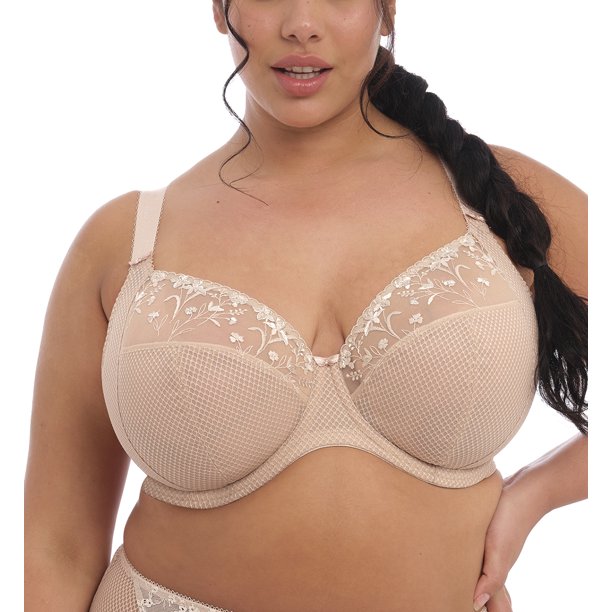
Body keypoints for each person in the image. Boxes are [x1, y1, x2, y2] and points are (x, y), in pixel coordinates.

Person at [24, 1, 588, 611]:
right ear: (219, 8)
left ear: (387, 11)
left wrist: (537, 491)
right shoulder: (127, 242)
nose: (301, 25)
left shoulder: (504, 201)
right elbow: (58, 545)